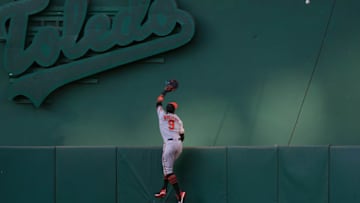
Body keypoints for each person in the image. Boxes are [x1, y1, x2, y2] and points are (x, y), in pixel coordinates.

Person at [154, 89, 186, 203]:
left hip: (169, 144)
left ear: (168, 109)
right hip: (178, 145)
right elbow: (182, 135)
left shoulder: (162, 115)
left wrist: (164, 92)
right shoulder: (178, 119)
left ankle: (179, 194)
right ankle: (164, 189)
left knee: (168, 171)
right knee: (167, 168)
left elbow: (158, 103)